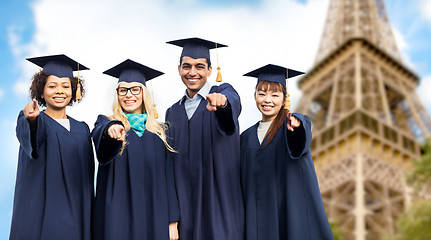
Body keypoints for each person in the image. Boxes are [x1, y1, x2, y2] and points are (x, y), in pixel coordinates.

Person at [241, 64, 334, 240]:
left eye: (275, 95)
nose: (267, 100)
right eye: (262, 94)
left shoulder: (290, 127)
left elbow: (301, 137)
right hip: (256, 220)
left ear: (285, 99)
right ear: (255, 97)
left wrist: (297, 126)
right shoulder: (245, 138)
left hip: (286, 216)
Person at [91, 59, 179, 240]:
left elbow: (169, 179)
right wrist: (111, 130)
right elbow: (100, 135)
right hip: (116, 214)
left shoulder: (161, 132)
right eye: (122, 90)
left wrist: (172, 222)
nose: (128, 95)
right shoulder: (106, 122)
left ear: (144, 93)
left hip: (154, 214)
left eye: (134, 89)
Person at [165, 37, 244, 240]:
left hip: (219, 206)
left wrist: (223, 104)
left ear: (210, 70)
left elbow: (231, 105)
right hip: (186, 211)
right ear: (179, 69)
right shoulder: (172, 112)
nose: (192, 72)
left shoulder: (223, 93)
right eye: (187, 66)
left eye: (200, 66)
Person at [10, 54, 94, 239]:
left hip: (78, 215)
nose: (59, 91)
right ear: (41, 91)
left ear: (73, 91)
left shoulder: (82, 129)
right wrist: (31, 120)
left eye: (65, 86)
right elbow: (32, 136)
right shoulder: (36, 121)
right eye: (52, 86)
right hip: (43, 215)